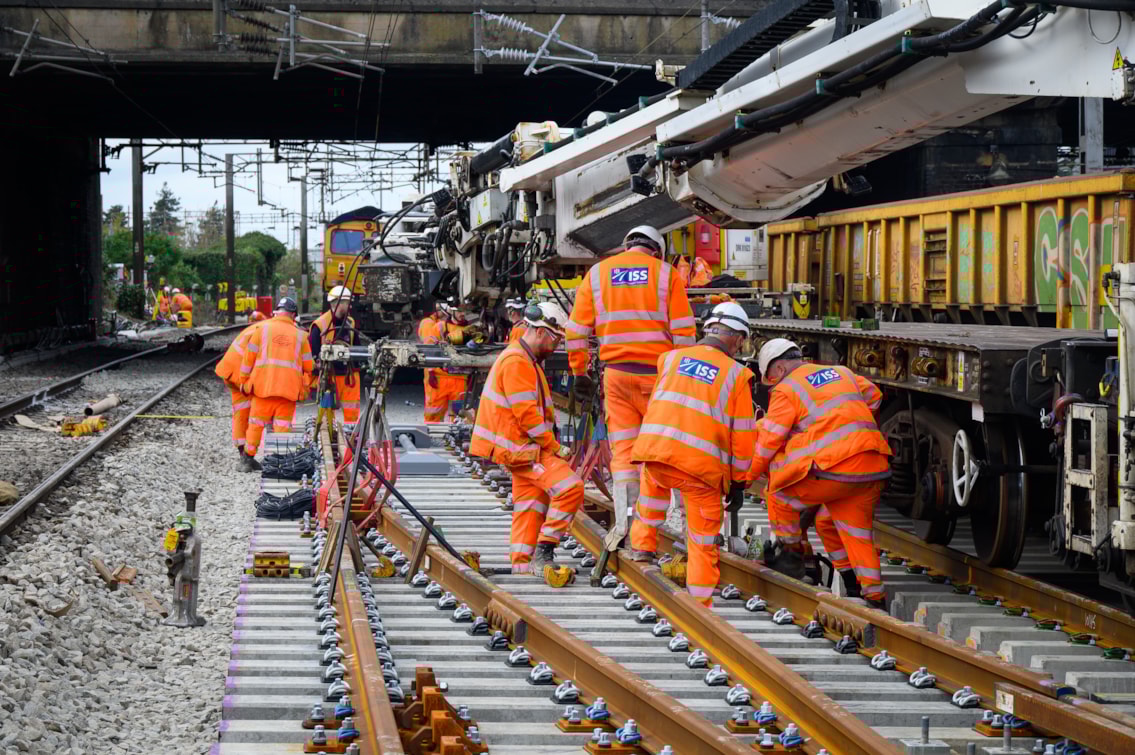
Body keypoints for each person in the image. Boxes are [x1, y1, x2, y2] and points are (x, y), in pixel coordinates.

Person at [565, 225, 696, 553]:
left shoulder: (597, 274)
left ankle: (626, 521)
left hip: (617, 377)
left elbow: (576, 331)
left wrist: (580, 372)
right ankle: (681, 523)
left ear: (627, 246)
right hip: (660, 378)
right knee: (670, 448)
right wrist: (684, 382)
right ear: (657, 250)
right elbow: (683, 335)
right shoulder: (667, 275)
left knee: (624, 453)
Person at [749, 338, 893, 610]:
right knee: (845, 528)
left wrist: (745, 478)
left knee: (779, 494)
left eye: (770, 379)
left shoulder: (786, 389)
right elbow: (874, 396)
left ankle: (792, 559)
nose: (772, 385)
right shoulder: (841, 372)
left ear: (778, 368)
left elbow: (770, 440)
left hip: (834, 469)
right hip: (871, 466)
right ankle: (870, 597)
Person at [628, 301, 756, 606]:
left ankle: (642, 548)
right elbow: (743, 439)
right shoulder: (737, 376)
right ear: (738, 338)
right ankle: (700, 605)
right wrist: (738, 482)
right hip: (699, 470)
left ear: (709, 328)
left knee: (651, 497)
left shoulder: (670, 359)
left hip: (655, 454)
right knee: (702, 539)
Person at [470, 301, 583, 581]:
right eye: (556, 339)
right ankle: (545, 548)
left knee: (530, 506)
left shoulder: (523, 359)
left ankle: (522, 566)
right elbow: (527, 416)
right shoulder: (517, 362)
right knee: (570, 488)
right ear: (542, 332)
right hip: (523, 448)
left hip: (519, 448)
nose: (556, 346)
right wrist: (555, 447)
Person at [237, 297, 314, 471]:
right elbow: (309, 366)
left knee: (256, 424)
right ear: (293, 315)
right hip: (288, 391)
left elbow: (248, 359)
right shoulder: (301, 336)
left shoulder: (262, 329)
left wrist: (244, 381)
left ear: (277, 311)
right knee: (282, 426)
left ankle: (247, 460)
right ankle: (277, 462)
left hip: (263, 388)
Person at [310, 286, 361, 425]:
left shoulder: (350, 322)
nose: (349, 306)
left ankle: (352, 437)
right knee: (327, 413)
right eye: (347, 302)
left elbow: (357, 347)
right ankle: (329, 439)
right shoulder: (320, 325)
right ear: (337, 303)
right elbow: (313, 353)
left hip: (348, 375)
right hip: (329, 375)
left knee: (352, 412)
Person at [214, 322, 259, 470]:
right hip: (240, 374)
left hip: (230, 370)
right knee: (254, 413)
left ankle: (243, 456)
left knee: (241, 411)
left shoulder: (263, 327)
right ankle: (247, 458)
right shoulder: (270, 332)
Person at [418, 304, 448, 423]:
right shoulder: (428, 324)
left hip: (437, 367)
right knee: (433, 406)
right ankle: (431, 429)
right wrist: (431, 371)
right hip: (433, 368)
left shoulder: (436, 323)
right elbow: (428, 348)